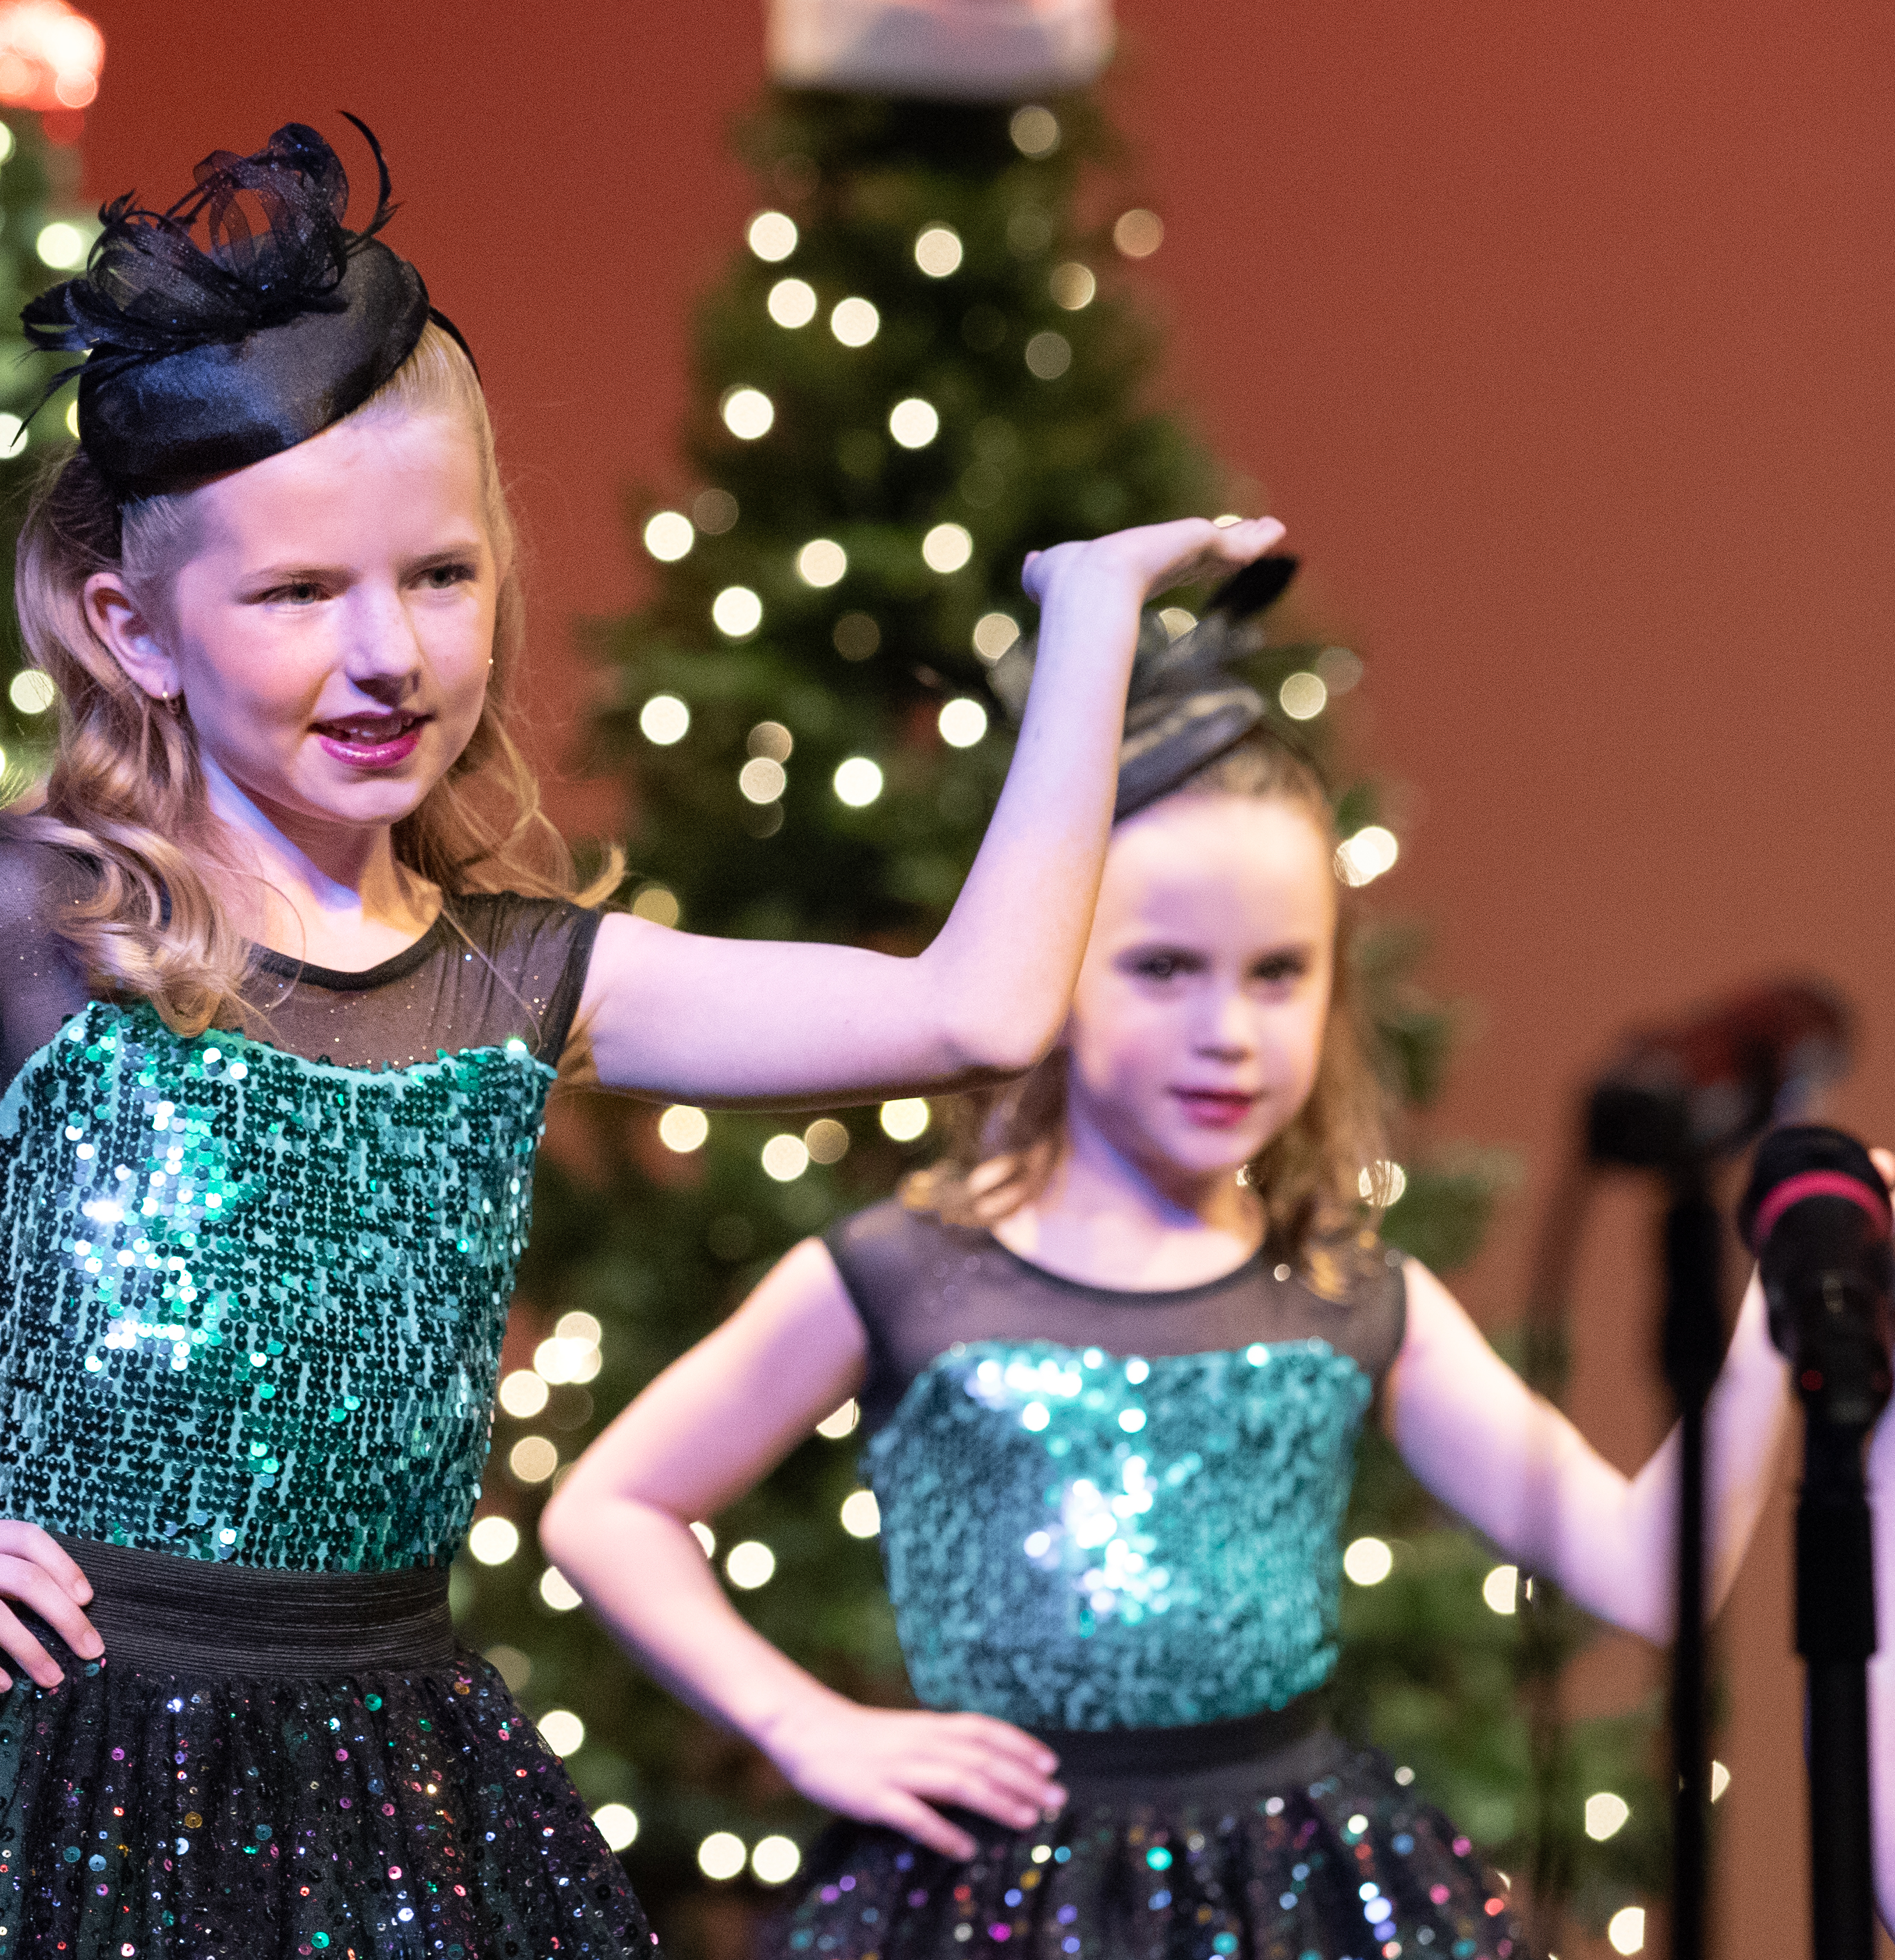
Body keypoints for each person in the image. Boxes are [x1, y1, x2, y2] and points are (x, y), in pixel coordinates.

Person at [0, 120, 1285, 1960]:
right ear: (136, 628)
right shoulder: (31, 935)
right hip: (41, 1781)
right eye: (298, 595)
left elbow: (976, 1009)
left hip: (383, 1791)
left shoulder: (524, 977)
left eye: (437, 578)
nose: (385, 654)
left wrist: (1086, 622)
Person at [540, 568, 1796, 1960]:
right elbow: (607, 1506)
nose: (1226, 1030)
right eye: (1159, 968)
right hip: (978, 1903)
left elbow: (1639, 1570)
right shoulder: (906, 1274)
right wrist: (804, 1723)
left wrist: (1778, 1317)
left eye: (1275, 973)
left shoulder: (1346, 1293)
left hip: (1293, 1902)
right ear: (1053, 966)